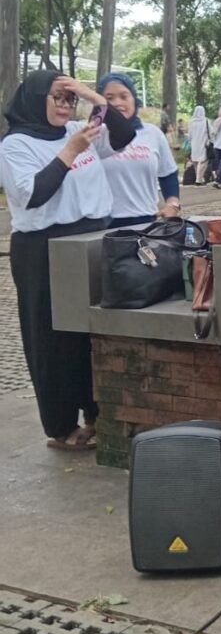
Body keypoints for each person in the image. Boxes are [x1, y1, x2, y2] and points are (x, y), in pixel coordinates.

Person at [0, 70, 135, 451]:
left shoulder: (81, 128)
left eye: (69, 98)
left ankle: (96, 411)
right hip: (43, 245)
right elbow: (33, 194)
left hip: (92, 238)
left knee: (90, 335)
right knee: (51, 339)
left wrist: (92, 96)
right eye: (57, 97)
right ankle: (60, 425)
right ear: (35, 99)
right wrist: (71, 150)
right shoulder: (15, 145)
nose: (65, 105)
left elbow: (125, 133)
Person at [97, 72, 181, 227]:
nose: (117, 103)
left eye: (124, 96)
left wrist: (173, 204)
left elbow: (168, 173)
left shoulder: (153, 133)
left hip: (146, 221)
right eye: (109, 98)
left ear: (134, 99)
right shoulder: (92, 134)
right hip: (101, 224)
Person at [187, 105, 211, 185]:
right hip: (203, 143)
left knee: (196, 161)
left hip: (194, 143)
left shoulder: (191, 122)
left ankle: (200, 179)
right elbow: (211, 132)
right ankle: (199, 179)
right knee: (203, 161)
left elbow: (189, 135)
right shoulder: (206, 121)